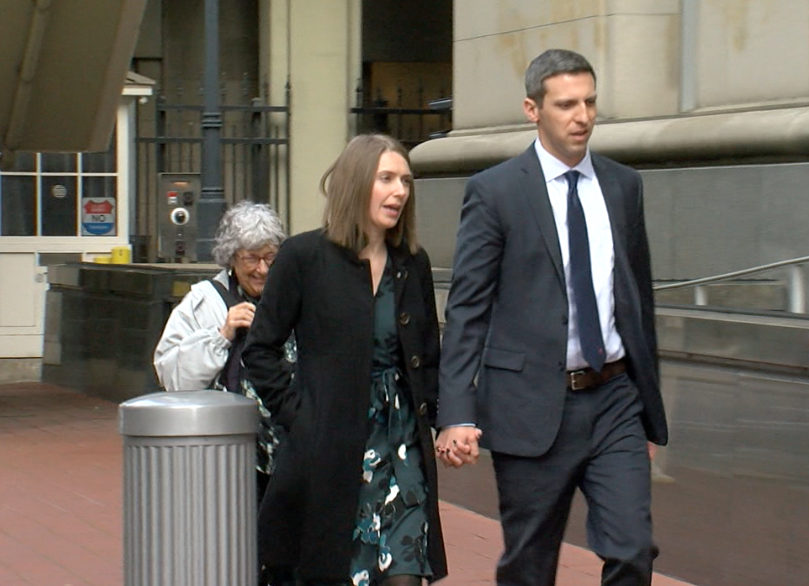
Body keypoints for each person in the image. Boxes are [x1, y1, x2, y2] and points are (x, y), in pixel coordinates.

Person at [434, 49, 668, 586]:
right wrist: (457, 412)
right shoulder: (496, 192)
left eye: (589, 102)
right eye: (566, 104)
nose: (582, 115)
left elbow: (639, 301)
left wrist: (649, 407)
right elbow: (467, 308)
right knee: (530, 566)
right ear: (532, 109)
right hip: (530, 405)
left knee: (633, 549)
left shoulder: (623, 186)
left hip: (614, 399)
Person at [241, 134, 446, 586]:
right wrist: (301, 416)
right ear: (355, 183)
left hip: (401, 447)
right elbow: (259, 350)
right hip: (329, 452)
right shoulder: (303, 256)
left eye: (406, 182)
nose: (400, 192)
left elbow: (428, 356)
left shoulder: (411, 263)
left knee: (404, 577)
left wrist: (451, 421)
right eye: (387, 179)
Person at [152, 200, 293, 502]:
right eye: (251, 259)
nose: (262, 269)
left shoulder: (292, 297)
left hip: (289, 456)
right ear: (231, 258)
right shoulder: (204, 301)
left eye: (271, 258)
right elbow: (172, 377)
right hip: (229, 455)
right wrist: (222, 335)